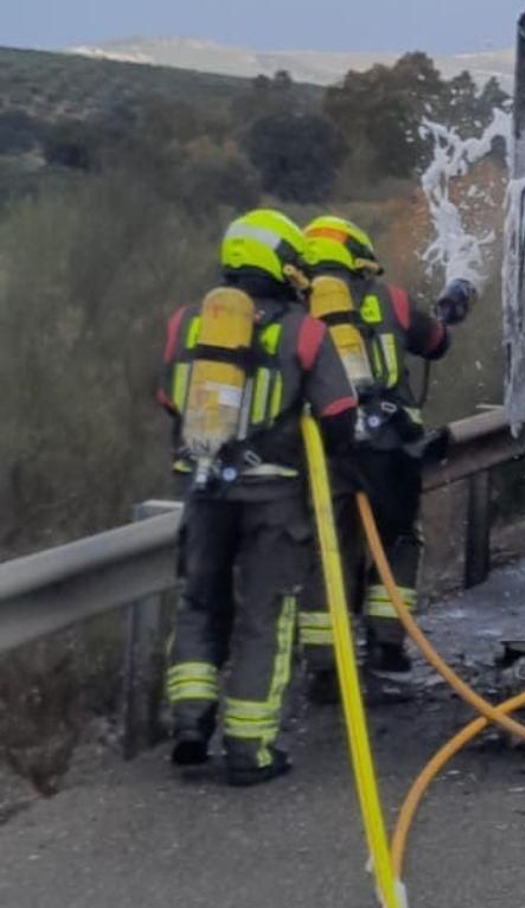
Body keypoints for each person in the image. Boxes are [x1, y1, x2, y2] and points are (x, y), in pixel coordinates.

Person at [158, 208, 357, 785]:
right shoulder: (306, 331)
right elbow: (340, 414)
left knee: (199, 602)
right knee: (265, 615)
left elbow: (167, 398)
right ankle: (250, 749)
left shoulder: (187, 322)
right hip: (274, 497)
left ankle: (190, 723)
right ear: (283, 265)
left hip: (204, 490)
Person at [296, 215, 468, 698]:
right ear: (360, 258)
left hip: (325, 450)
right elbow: (437, 343)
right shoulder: (390, 300)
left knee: (327, 552)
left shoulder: (296, 311)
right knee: (397, 540)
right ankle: (387, 646)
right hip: (389, 450)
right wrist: (449, 309)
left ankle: (324, 667)